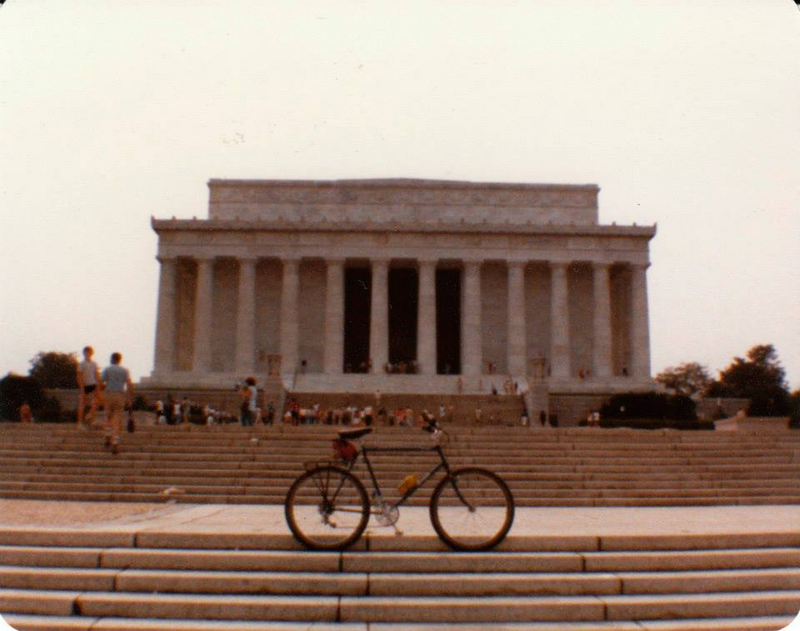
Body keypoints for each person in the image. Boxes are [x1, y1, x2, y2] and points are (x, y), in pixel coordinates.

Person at [100, 352, 133, 454]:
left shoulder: (107, 369)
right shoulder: (125, 370)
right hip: (120, 395)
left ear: (112, 359)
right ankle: (115, 442)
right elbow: (129, 384)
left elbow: (101, 381)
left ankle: (107, 435)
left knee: (108, 417)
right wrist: (129, 399)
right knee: (117, 420)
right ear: (120, 360)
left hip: (109, 394)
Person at [76, 346, 102, 429]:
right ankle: (79, 423)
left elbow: (97, 375)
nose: (88, 353)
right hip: (85, 385)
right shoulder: (81, 364)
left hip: (93, 384)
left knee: (99, 400)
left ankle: (90, 415)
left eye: (89, 352)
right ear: (84, 353)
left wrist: (99, 386)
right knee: (82, 404)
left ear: (92, 353)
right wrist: (82, 389)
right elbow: (79, 376)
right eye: (86, 352)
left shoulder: (94, 363)